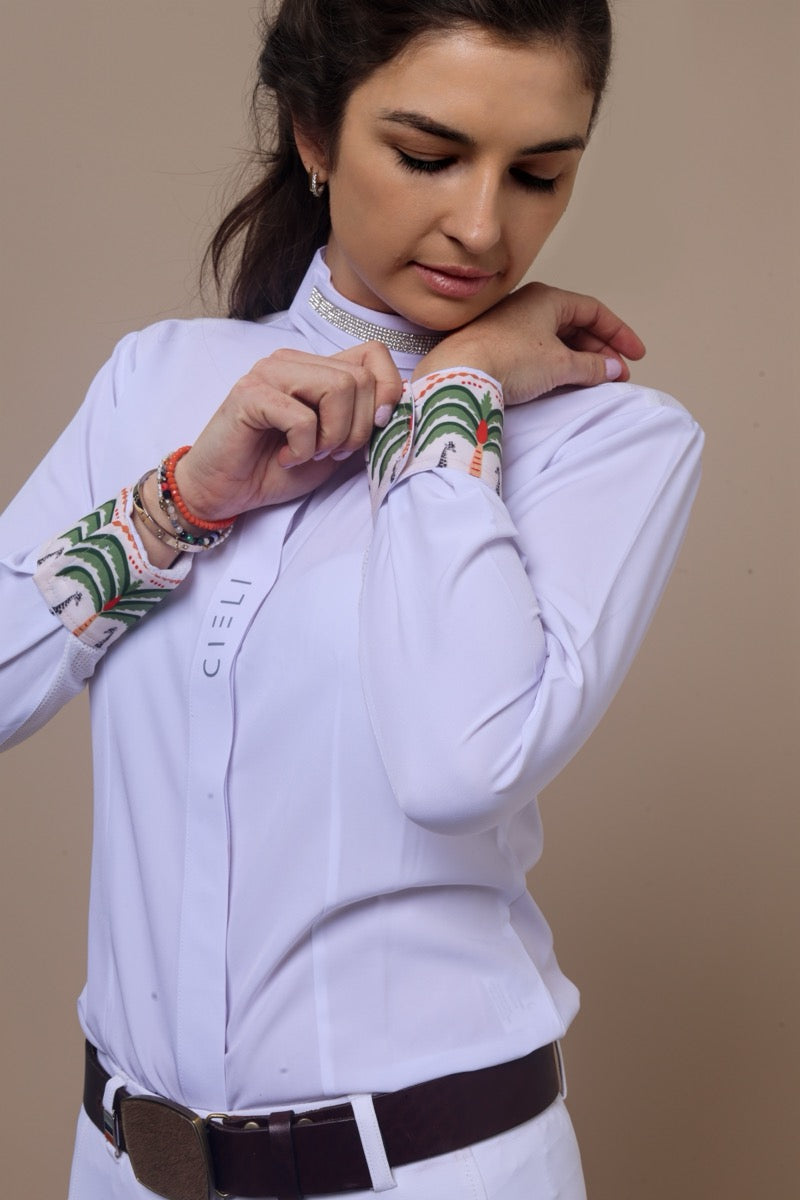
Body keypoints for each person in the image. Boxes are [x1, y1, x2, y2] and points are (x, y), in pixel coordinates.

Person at [0, 1, 703, 1197]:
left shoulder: (610, 442)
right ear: (313, 137)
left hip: (433, 1171)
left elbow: (454, 763)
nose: (482, 227)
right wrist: (186, 497)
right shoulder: (156, 379)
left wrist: (459, 390)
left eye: (537, 174)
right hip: (123, 1164)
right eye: (426, 157)